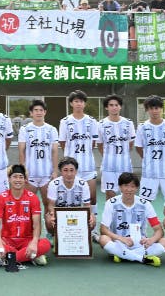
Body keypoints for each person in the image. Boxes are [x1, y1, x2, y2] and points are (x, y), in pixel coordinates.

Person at [98, 172, 165, 266]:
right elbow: (103, 229)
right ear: (120, 187)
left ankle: (123, 255)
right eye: (126, 186)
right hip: (119, 243)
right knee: (103, 239)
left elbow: (158, 230)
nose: (129, 189)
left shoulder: (145, 204)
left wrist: (151, 240)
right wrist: (121, 238)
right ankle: (141, 258)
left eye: (132, 186)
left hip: (141, 243)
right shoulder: (111, 203)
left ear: (136, 188)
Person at [0, 164, 51, 268]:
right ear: (9, 179)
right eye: (15, 177)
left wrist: (34, 243)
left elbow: (37, 224)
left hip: (27, 240)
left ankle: (7, 258)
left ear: (25, 180)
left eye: (21, 177)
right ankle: (30, 256)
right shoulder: (1, 197)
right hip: (7, 240)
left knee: (46, 243)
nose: (18, 180)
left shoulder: (33, 198)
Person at [58, 90, 100, 240]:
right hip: (70, 168)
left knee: (92, 198)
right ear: (71, 103)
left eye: (81, 101)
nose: (78, 104)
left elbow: (93, 142)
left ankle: (93, 230)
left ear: (85, 104)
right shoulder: (65, 121)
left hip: (88, 166)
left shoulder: (92, 121)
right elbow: (63, 142)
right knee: (68, 198)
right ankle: (66, 230)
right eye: (76, 101)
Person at [135, 95, 165, 201]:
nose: (154, 111)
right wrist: (147, 158)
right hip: (149, 171)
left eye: (157, 108)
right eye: (151, 108)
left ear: (161, 108)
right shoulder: (142, 127)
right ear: (147, 110)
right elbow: (138, 147)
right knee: (145, 201)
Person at [18, 99, 59, 208]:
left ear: (45, 112)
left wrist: (55, 171)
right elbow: (21, 151)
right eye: (36, 110)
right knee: (28, 205)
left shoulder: (52, 129)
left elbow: (55, 152)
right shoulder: (25, 129)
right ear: (31, 113)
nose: (38, 112)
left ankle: (48, 220)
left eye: (41, 110)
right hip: (30, 174)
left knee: (48, 205)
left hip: (47, 174)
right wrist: (23, 171)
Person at [98, 95, 135, 200]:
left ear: (120, 107)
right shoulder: (101, 124)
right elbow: (100, 145)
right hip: (108, 166)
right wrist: (109, 156)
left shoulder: (128, 123)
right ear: (106, 107)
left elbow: (130, 143)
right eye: (111, 105)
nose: (114, 107)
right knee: (110, 195)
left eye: (116, 105)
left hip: (125, 165)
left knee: (127, 193)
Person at [45, 157, 93, 236]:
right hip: (59, 214)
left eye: (71, 170)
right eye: (65, 170)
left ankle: (81, 236)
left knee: (92, 219)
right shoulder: (54, 184)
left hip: (77, 214)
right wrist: (53, 215)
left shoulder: (83, 184)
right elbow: (51, 205)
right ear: (61, 171)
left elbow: (87, 205)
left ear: (76, 171)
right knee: (48, 219)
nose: (69, 174)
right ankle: (55, 236)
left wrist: (90, 215)